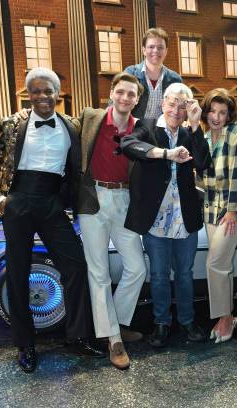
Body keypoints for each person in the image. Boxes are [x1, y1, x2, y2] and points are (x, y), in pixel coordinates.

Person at [0, 67, 105, 373]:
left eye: (47, 90)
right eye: (35, 91)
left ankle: (77, 336)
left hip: (52, 202)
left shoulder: (71, 125)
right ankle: (25, 344)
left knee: (75, 265)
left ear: (57, 93)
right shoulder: (11, 124)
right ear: (28, 94)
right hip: (19, 201)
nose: (42, 97)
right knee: (18, 272)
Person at [120, 83, 211, 348]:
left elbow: (203, 162)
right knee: (159, 275)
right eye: (172, 103)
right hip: (155, 219)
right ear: (163, 104)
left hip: (185, 219)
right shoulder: (147, 126)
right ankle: (162, 322)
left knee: (184, 273)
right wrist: (165, 154)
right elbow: (128, 144)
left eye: (182, 105)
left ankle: (187, 320)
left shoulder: (187, 132)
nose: (176, 109)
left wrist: (195, 126)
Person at [76, 72, 148, 369]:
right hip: (93, 198)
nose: (125, 98)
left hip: (124, 200)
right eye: (121, 92)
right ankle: (115, 340)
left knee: (137, 268)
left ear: (137, 99)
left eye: (131, 94)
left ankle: (112, 324)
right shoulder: (90, 118)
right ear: (112, 93)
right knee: (99, 272)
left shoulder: (140, 128)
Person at [200, 89, 237, 343]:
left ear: (229, 114)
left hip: (233, 210)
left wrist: (231, 209)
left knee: (215, 264)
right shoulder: (206, 137)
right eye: (212, 111)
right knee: (224, 266)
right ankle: (227, 315)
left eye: (222, 112)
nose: (217, 117)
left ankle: (224, 318)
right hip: (211, 210)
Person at [124, 27, 182, 120]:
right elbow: (116, 103)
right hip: (134, 130)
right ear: (144, 50)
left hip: (161, 131)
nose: (155, 51)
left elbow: (179, 108)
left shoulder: (175, 80)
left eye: (160, 47)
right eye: (151, 47)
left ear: (166, 51)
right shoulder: (131, 74)